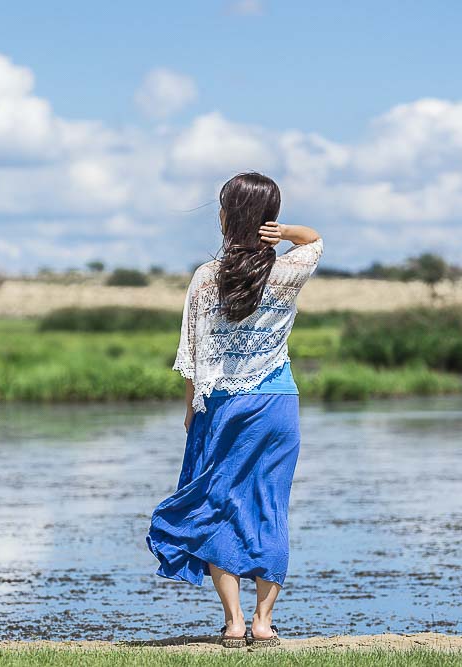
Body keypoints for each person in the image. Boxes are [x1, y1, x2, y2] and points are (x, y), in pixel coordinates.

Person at [145, 171, 324, 649]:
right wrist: (283, 233)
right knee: (270, 506)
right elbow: (315, 240)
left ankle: (234, 623)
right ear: (267, 219)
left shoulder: (207, 279)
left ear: (226, 218)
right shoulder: (287, 272)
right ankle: (265, 624)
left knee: (217, 505)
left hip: (224, 404)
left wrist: (190, 413)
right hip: (278, 404)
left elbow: (192, 357)